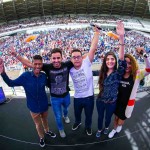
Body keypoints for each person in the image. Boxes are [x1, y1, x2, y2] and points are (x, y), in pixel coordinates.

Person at [11, 48, 73, 138]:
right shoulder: (47, 67)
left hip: (66, 95)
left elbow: (80, 58)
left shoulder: (67, 64)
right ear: (51, 59)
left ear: (62, 58)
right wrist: (16, 55)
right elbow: (30, 63)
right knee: (58, 116)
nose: (56, 60)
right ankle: (61, 129)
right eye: (54, 58)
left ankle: (66, 115)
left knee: (66, 108)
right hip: (54, 98)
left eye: (58, 58)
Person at [0, 55, 56, 148]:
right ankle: (41, 137)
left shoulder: (43, 76)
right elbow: (10, 83)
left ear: (42, 65)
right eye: (36, 64)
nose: (38, 66)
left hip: (44, 104)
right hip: (33, 106)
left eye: (40, 64)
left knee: (45, 120)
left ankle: (47, 131)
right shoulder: (25, 76)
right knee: (38, 124)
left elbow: (51, 86)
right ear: (32, 64)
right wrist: (3, 73)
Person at [108, 47, 150, 138]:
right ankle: (114, 129)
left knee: (121, 120)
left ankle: (119, 126)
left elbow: (149, 68)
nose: (127, 65)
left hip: (127, 104)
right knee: (115, 118)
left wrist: (144, 54)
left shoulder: (137, 74)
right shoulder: (119, 74)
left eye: (129, 63)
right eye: (125, 63)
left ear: (133, 64)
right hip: (117, 102)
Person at [96, 21, 126, 138]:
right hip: (100, 101)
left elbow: (122, 58)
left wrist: (121, 38)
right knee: (99, 117)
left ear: (115, 60)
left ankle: (106, 128)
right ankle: (99, 129)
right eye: (108, 59)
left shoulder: (118, 73)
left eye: (112, 59)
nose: (110, 61)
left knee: (108, 118)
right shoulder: (102, 73)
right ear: (105, 61)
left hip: (111, 103)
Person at [69, 26, 100, 135]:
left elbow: (93, 48)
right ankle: (77, 122)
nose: (76, 59)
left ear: (82, 57)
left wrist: (96, 33)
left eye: (78, 56)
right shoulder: (69, 67)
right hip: (77, 97)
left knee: (89, 115)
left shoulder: (87, 62)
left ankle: (88, 127)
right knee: (77, 114)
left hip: (89, 97)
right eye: (74, 57)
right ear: (71, 59)